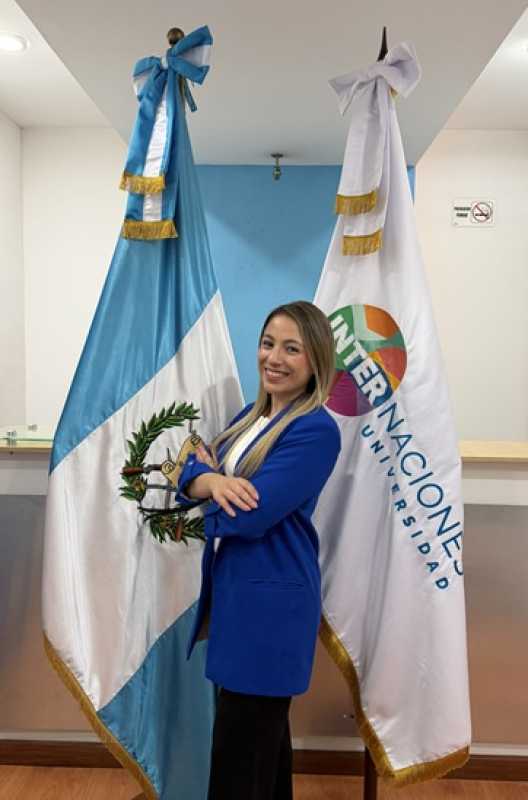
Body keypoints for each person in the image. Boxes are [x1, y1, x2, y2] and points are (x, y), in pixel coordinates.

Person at [177, 300, 341, 800]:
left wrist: (204, 482)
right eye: (268, 343)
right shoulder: (248, 418)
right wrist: (209, 481)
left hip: (271, 609)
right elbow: (191, 469)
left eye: (292, 348)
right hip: (238, 599)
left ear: (315, 360)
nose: (274, 357)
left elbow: (249, 515)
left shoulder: (315, 429)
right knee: (262, 756)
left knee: (240, 758)